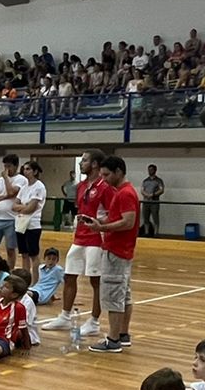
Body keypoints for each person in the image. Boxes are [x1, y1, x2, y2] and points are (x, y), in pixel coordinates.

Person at [44, 149, 106, 336]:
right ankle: (65, 316)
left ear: (95, 164)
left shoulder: (105, 186)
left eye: (85, 160)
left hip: (97, 239)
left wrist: (101, 225)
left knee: (96, 281)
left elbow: (112, 213)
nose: (81, 163)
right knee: (69, 275)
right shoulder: (80, 186)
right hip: (80, 237)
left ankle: (94, 322)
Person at [86, 155, 139, 354]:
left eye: (107, 175)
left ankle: (113, 339)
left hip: (117, 250)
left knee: (113, 295)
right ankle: (123, 334)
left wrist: (104, 227)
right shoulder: (122, 193)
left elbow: (128, 221)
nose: (104, 179)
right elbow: (119, 217)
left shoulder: (125, 193)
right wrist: (99, 223)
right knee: (124, 294)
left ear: (118, 172)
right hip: (121, 250)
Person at [139, 164, 164, 238]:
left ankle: (156, 233)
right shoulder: (145, 180)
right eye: (149, 170)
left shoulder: (158, 181)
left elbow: (161, 190)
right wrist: (146, 194)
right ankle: (146, 232)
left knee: (155, 217)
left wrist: (153, 194)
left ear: (155, 170)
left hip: (154, 202)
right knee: (145, 217)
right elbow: (142, 190)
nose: (150, 171)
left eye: (151, 170)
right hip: (146, 202)